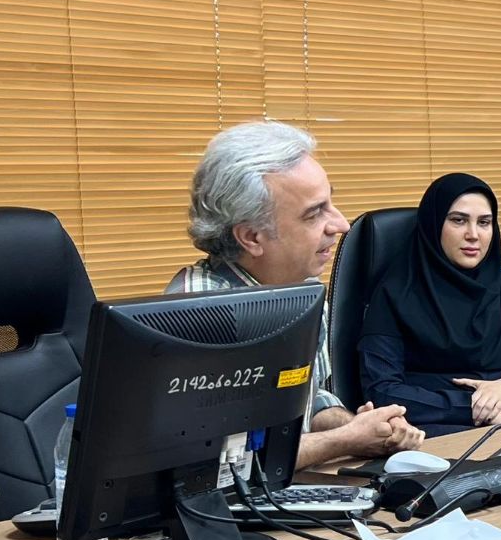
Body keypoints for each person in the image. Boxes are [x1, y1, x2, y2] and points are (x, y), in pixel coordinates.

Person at [169, 120, 423, 467]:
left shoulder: (303, 288)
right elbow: (217, 461)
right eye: (314, 214)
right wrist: (345, 439)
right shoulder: (199, 312)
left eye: (330, 202)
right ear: (252, 237)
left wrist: (367, 429)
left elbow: (309, 402)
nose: (341, 224)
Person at [357, 174, 501, 432]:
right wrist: (477, 408)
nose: (473, 235)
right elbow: (381, 391)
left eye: (484, 222)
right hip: (435, 431)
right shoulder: (395, 294)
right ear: (434, 224)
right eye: (458, 220)